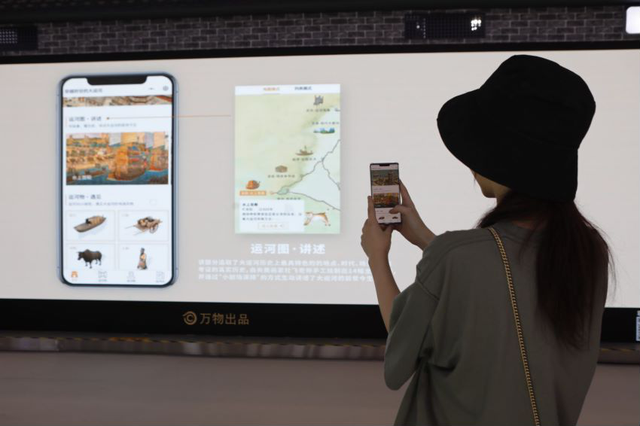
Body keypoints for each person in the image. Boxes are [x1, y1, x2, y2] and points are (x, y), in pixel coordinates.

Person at [360, 55, 611, 426]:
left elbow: (400, 357)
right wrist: (426, 239)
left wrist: (377, 258)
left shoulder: (456, 257)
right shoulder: (589, 252)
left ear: (499, 156)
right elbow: (503, 281)